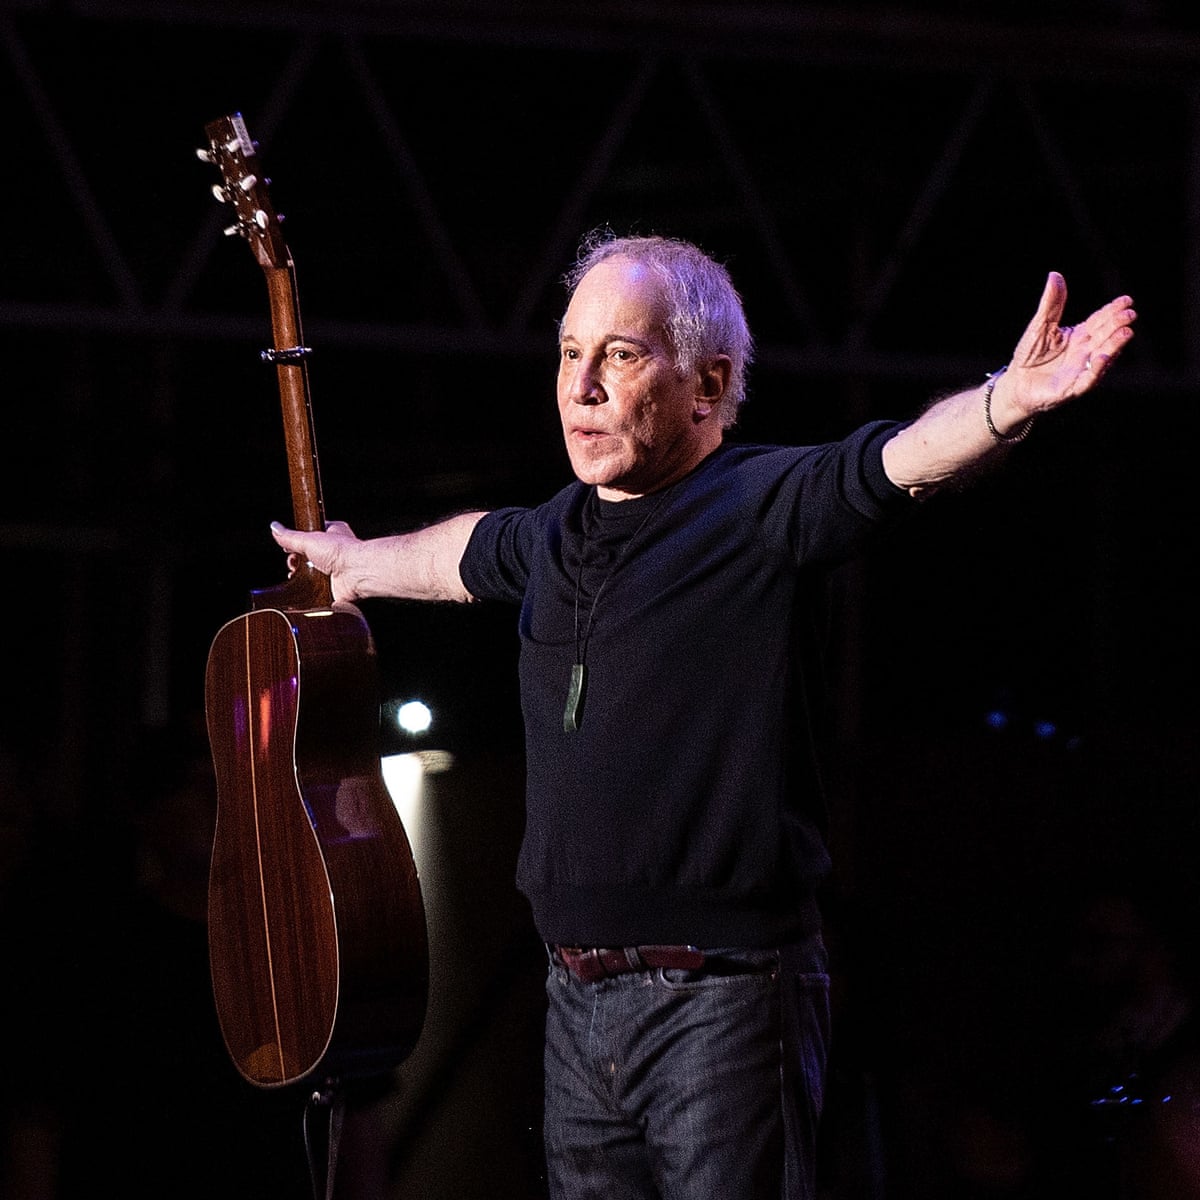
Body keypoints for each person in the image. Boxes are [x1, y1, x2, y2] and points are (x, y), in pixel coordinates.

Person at [271, 232, 1135, 1199]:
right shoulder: (558, 535)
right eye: (568, 353)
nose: (581, 387)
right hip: (576, 1001)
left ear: (708, 384)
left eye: (621, 354)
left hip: (723, 1001)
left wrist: (1006, 404)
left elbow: (893, 465)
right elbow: (459, 553)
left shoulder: (758, 507)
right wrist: (354, 564)